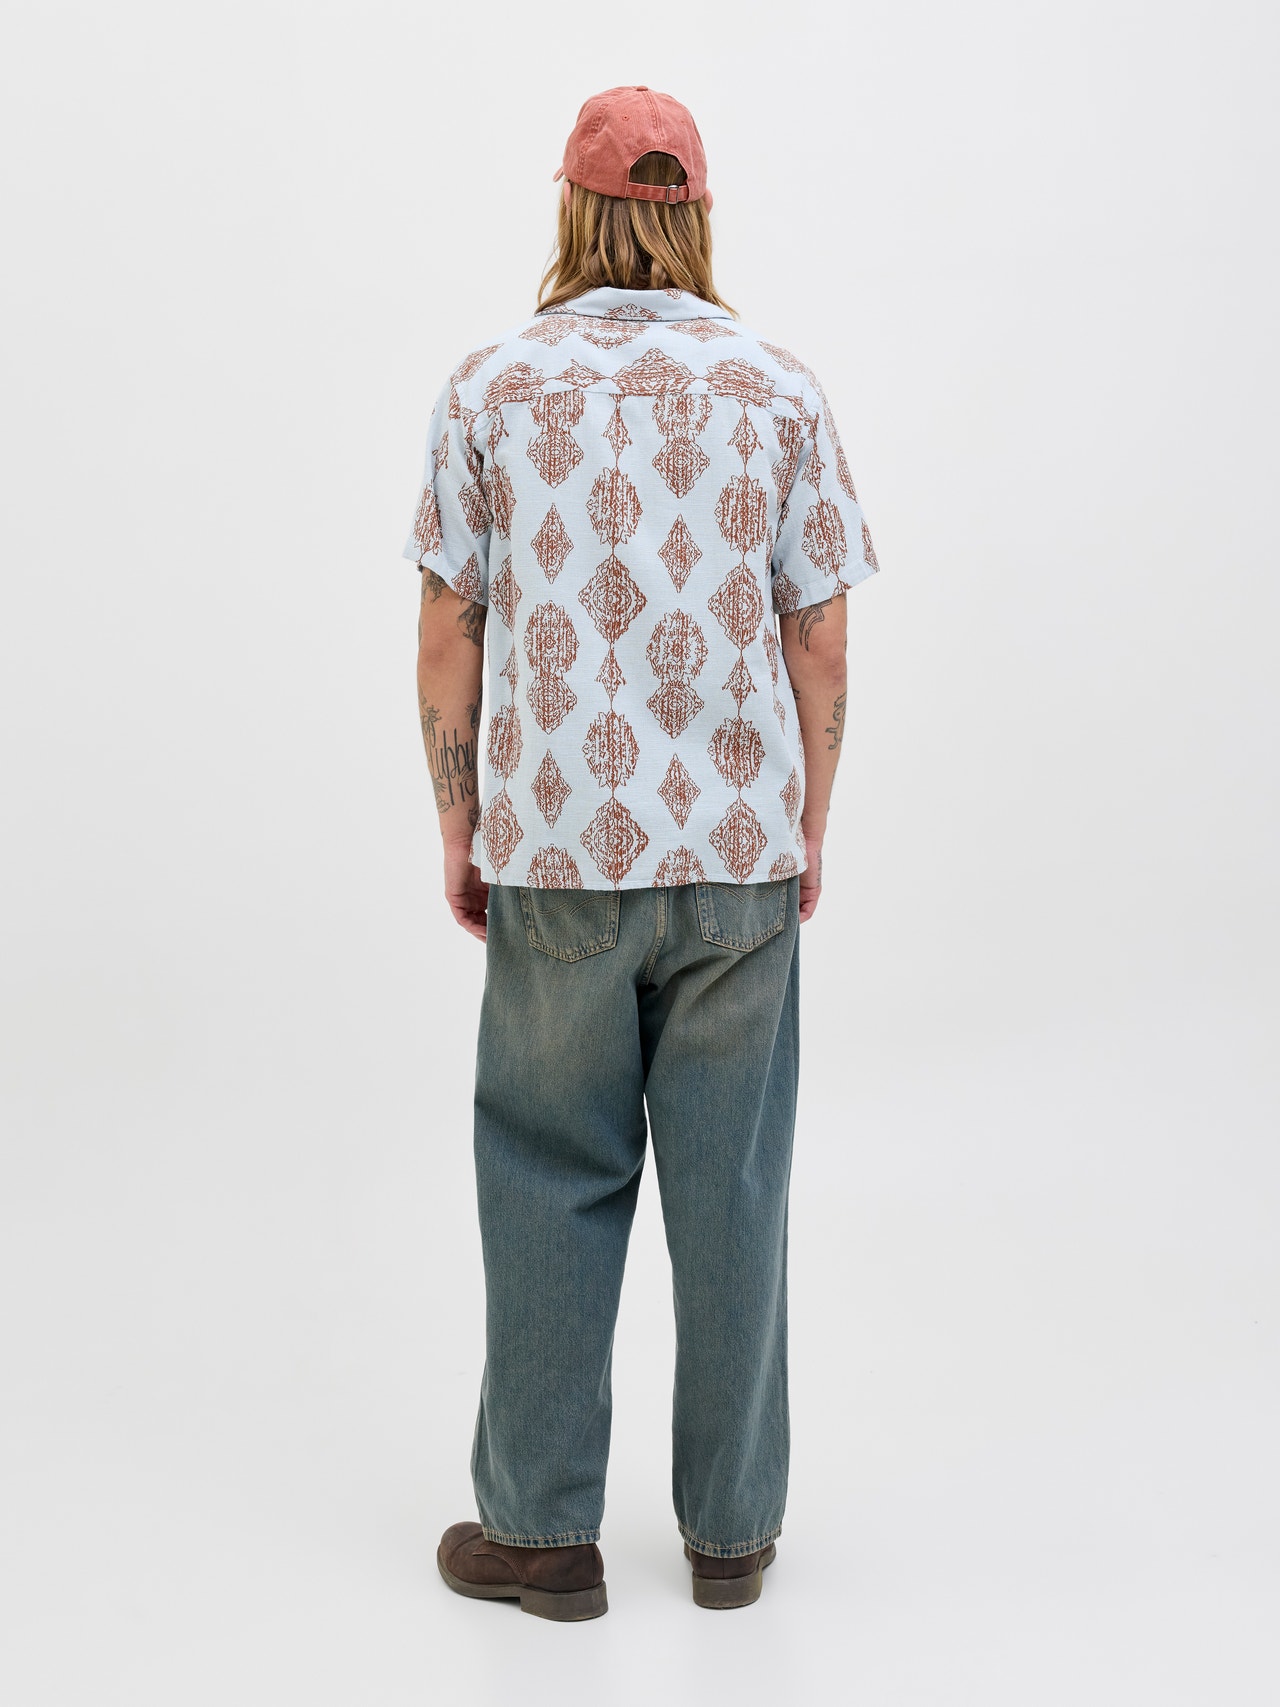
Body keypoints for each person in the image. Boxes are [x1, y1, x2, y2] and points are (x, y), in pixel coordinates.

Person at [404, 84, 880, 1620]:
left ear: (575, 207)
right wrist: (807, 823)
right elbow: (820, 642)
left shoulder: (491, 388)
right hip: (738, 860)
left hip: (558, 856)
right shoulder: (779, 390)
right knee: (734, 1193)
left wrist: (460, 821)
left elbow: (447, 638)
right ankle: (732, 1536)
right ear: (698, 215)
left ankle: (543, 1535)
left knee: (549, 1176)